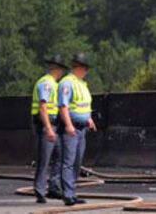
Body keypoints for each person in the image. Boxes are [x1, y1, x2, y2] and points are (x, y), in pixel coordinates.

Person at [57, 52, 97, 206]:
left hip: (82, 127)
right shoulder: (67, 83)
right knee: (68, 161)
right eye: (84, 68)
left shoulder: (82, 84)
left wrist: (89, 118)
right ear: (77, 67)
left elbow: (84, 105)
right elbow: (63, 106)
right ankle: (67, 194)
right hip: (71, 127)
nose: (85, 71)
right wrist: (68, 125)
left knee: (77, 162)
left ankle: (72, 192)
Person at [31, 55, 68, 204]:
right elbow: (43, 107)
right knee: (44, 158)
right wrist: (48, 128)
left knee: (60, 156)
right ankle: (40, 191)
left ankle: (54, 187)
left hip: (54, 125)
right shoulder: (46, 83)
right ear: (57, 69)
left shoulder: (53, 84)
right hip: (46, 124)